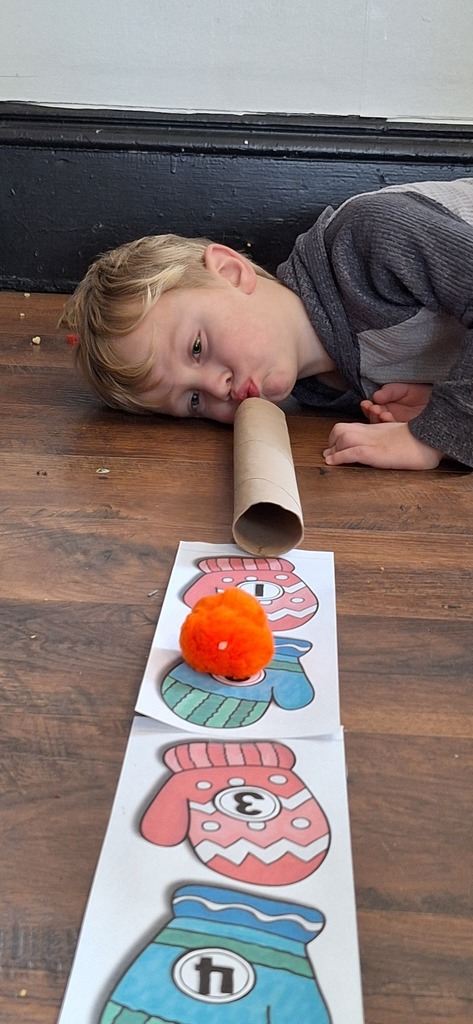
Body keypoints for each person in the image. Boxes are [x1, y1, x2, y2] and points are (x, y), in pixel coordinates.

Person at [61, 177, 473, 470]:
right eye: (193, 401)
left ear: (231, 271)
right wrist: (438, 398)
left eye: (197, 349)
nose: (216, 389)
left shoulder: (367, 241)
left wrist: (432, 436)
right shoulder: (323, 390)